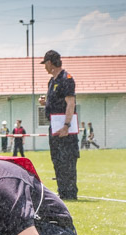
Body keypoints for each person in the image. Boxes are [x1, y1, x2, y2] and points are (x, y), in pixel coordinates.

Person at [39, 50, 79, 200]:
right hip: (54, 127)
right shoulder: (52, 81)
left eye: (45, 64)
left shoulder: (66, 79)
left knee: (67, 159)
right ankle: (62, 191)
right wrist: (45, 102)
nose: (45, 68)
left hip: (65, 128)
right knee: (57, 158)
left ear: (50, 63)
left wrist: (66, 125)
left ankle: (70, 193)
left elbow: (70, 103)